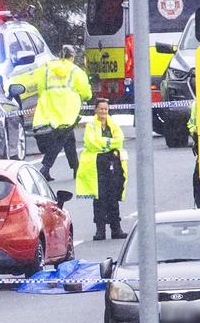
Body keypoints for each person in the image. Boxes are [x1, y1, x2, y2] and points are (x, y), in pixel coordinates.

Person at [11, 45, 91, 180]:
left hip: (50, 108)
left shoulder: (47, 69)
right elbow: (85, 92)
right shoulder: (75, 71)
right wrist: (85, 97)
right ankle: (45, 167)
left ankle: (76, 168)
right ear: (72, 57)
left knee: (68, 137)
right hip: (68, 110)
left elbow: (41, 89)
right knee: (60, 139)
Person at [76, 99, 128, 240]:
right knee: (99, 198)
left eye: (106, 109)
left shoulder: (113, 125)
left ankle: (116, 229)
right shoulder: (91, 126)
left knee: (113, 197)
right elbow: (91, 143)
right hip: (97, 165)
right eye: (101, 109)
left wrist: (104, 145)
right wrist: (110, 145)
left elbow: (120, 140)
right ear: (96, 110)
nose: (103, 112)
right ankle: (100, 231)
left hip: (113, 163)